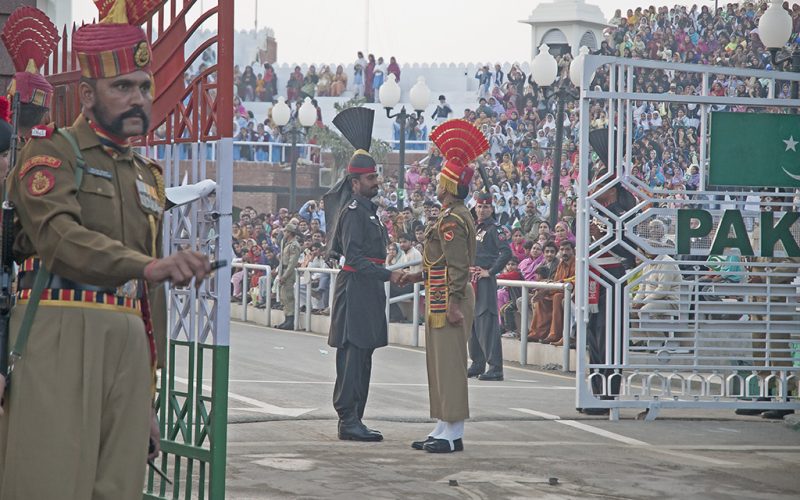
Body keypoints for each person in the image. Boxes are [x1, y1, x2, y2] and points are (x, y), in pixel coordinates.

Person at [0, 2, 213, 498]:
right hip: (60, 329)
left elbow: (146, 295)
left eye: (143, 86)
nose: (138, 98)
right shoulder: (51, 154)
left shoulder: (147, 177)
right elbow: (60, 240)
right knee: (48, 482)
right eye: (122, 87)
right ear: (88, 95)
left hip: (127, 346)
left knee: (117, 488)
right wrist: (149, 264)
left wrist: (148, 397)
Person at [403, 118, 485, 453]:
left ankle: (453, 432)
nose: (435, 183)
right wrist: (415, 276)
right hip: (440, 295)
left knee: (450, 364)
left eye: (440, 180)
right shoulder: (453, 213)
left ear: (449, 186)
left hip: (449, 298)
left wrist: (452, 303)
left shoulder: (452, 218)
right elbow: (437, 262)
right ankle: (442, 426)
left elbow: (457, 265)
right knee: (439, 365)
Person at [325, 107, 404, 442]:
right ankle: (348, 419)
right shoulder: (356, 212)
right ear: (355, 183)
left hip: (366, 290)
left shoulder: (370, 212)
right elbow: (355, 258)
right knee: (353, 357)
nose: (377, 182)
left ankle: (356, 417)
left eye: (376, 177)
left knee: (364, 355)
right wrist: (389, 275)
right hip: (356, 288)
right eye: (371, 178)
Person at [467, 192, 511, 381]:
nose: (482, 210)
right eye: (479, 206)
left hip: (484, 279)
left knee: (487, 322)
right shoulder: (474, 227)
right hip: (471, 278)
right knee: (472, 323)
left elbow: (506, 253)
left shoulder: (495, 229)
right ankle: (477, 363)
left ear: (492, 208)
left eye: (486, 207)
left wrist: (491, 271)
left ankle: (495, 367)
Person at [275, 223, 302, 329]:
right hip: (284, 269)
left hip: (288, 273)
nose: (284, 233)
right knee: (284, 297)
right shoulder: (286, 243)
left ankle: (290, 320)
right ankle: (286, 319)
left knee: (288, 296)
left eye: (286, 231)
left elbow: (292, 263)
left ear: (290, 232)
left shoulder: (294, 245)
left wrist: (285, 276)